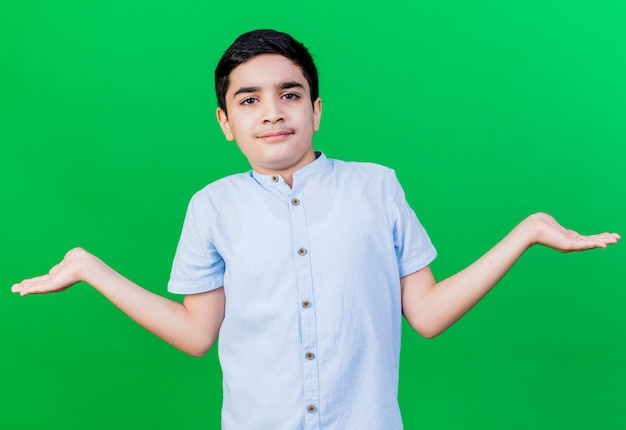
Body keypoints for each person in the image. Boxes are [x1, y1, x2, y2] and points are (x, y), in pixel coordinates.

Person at [11, 29, 619, 430]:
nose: (272, 111)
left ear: (316, 109)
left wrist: (527, 233)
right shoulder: (211, 207)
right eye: (248, 100)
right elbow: (197, 334)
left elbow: (428, 314)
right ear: (225, 122)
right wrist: (91, 269)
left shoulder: (377, 186)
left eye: (289, 94)